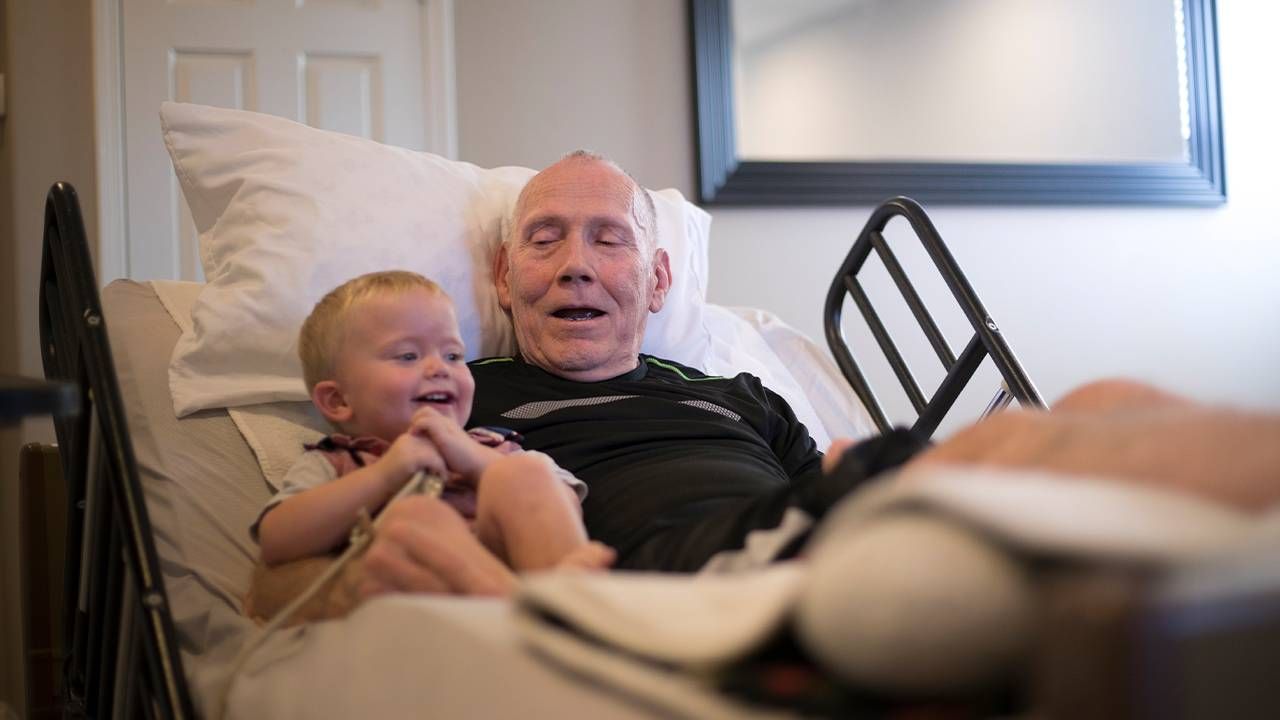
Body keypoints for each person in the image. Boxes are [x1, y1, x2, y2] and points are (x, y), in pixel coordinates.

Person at [247, 152, 1280, 618]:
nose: (572, 265)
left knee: (1099, 401)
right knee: (1032, 445)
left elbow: (823, 473)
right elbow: (285, 569)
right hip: (687, 571)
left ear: (655, 280)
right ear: (504, 278)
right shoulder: (456, 398)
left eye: (607, 239)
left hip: (815, 523)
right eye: (543, 240)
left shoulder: (738, 392)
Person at [252, 271, 614, 605]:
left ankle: (568, 600)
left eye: (454, 355)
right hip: (424, 616)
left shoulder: (493, 446)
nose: (439, 368)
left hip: (519, 589)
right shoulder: (336, 461)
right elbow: (275, 540)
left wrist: (474, 460)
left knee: (524, 474)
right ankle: (526, 606)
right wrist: (384, 475)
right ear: (339, 400)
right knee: (416, 517)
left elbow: (564, 500)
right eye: (408, 356)